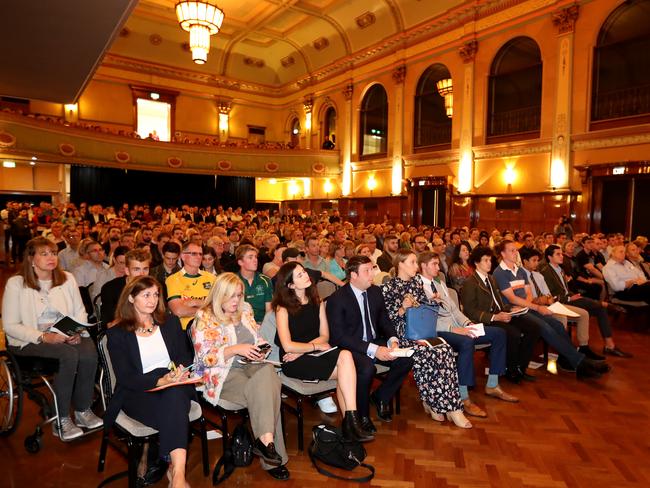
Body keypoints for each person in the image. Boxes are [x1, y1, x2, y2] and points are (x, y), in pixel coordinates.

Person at [191, 273, 290, 480]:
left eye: (239, 295)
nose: (236, 301)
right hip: (222, 373)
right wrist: (235, 349)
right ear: (219, 295)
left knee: (268, 375)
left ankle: (265, 443)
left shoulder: (245, 311)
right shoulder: (205, 316)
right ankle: (271, 453)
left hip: (250, 366)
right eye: (231, 296)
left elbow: (257, 338)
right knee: (267, 391)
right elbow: (204, 359)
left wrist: (261, 347)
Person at [2, 237, 102, 441]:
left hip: (64, 334)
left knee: (89, 351)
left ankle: (82, 410)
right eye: (44, 253)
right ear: (31, 258)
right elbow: (10, 326)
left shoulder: (67, 278)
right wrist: (44, 336)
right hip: (29, 340)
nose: (51, 258)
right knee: (68, 355)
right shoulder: (16, 283)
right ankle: (62, 419)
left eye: (54, 253)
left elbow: (79, 311)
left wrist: (76, 332)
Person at [106, 276, 195, 488]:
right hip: (138, 391)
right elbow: (126, 376)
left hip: (172, 384)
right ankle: (174, 470)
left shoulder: (170, 323)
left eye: (156, 294)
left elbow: (184, 357)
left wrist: (180, 371)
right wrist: (159, 380)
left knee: (173, 396)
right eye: (146, 295)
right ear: (130, 298)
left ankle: (178, 474)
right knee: (174, 408)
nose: (153, 300)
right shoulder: (117, 333)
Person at [273, 262, 373, 441]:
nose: (306, 275)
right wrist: (312, 348)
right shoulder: (282, 308)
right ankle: (352, 422)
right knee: (347, 371)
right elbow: (288, 346)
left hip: (311, 353)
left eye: (304, 271)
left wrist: (306, 349)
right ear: (291, 285)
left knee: (346, 357)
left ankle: (350, 419)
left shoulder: (316, 301)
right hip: (293, 361)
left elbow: (325, 336)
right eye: (299, 275)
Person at [417, 251, 517, 418]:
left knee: (499, 333)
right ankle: (463, 397)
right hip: (439, 331)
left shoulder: (440, 283)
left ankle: (492, 384)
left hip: (457, 326)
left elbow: (455, 310)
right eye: (434, 264)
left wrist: (467, 323)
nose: (438, 267)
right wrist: (453, 329)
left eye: (437, 263)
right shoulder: (417, 287)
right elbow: (427, 318)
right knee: (466, 342)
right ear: (423, 266)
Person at [492, 240, 610, 379]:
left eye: (515, 250)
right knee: (544, 327)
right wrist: (536, 307)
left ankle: (573, 360)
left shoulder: (519, 270)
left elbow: (528, 292)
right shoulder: (499, 273)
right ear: (502, 254)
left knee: (557, 325)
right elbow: (512, 299)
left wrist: (531, 305)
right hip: (514, 311)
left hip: (526, 307)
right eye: (511, 250)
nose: (515, 253)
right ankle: (581, 362)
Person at [380, 252, 472, 428]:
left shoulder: (416, 283)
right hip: (403, 335)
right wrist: (401, 308)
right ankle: (443, 406)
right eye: (413, 262)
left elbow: (422, 310)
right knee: (428, 352)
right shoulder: (388, 287)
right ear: (400, 264)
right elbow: (385, 321)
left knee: (444, 349)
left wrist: (432, 301)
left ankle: (444, 405)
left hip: (422, 331)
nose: (417, 266)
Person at [326, 256, 414, 434]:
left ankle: (381, 397)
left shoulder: (375, 291)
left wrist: (393, 340)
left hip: (373, 341)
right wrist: (375, 350)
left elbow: (384, 320)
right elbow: (339, 337)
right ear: (353, 275)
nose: (372, 274)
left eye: (372, 269)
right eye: (366, 271)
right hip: (350, 347)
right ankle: (361, 416)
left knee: (405, 359)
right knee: (367, 368)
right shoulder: (338, 299)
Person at [461, 246, 541, 384]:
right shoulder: (470, 282)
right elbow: (469, 311)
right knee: (513, 333)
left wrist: (511, 309)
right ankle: (511, 370)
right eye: (485, 260)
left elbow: (498, 303)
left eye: (490, 260)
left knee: (533, 327)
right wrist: (494, 317)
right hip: (485, 320)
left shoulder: (491, 279)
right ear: (476, 262)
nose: (489, 263)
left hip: (500, 315)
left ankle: (521, 367)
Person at [539, 245, 631, 358]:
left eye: (561, 253)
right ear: (549, 257)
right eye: (557, 254)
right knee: (596, 306)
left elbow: (565, 289)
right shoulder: (546, 272)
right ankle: (605, 305)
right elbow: (549, 295)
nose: (561, 256)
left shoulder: (560, 269)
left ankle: (606, 345)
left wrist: (572, 295)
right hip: (559, 304)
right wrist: (568, 298)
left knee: (600, 310)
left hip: (569, 299)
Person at [166, 241, 216, 329]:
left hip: (211, 328)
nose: (199, 257)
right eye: (194, 254)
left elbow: (219, 304)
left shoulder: (212, 278)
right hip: (185, 331)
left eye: (200, 254)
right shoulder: (172, 280)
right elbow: (178, 311)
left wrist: (194, 302)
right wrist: (208, 307)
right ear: (183, 256)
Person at [101, 248, 151, 324]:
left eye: (145, 269)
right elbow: (109, 323)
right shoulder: (110, 288)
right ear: (127, 271)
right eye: (136, 269)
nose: (142, 274)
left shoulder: (155, 287)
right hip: (122, 329)